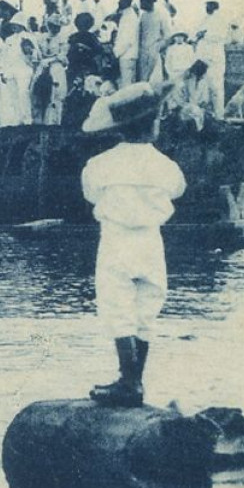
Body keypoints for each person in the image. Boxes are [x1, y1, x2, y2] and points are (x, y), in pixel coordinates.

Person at [80, 81, 186, 407]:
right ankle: (136, 380)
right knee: (147, 307)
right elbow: (177, 190)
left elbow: (91, 193)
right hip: (151, 241)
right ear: (153, 124)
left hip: (116, 239)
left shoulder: (99, 165)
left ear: (118, 129)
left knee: (117, 307)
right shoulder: (166, 166)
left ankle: (128, 381)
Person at [194, 0, 228, 117]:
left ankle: (219, 116)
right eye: (206, 4)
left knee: (216, 88)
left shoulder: (221, 19)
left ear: (215, 5)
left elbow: (222, 36)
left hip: (215, 58)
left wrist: (204, 34)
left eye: (210, 4)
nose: (207, 7)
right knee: (202, 87)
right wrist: (199, 34)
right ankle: (205, 116)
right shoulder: (204, 19)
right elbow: (196, 34)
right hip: (203, 58)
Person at [111, 0, 140, 87]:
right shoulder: (127, 15)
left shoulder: (130, 17)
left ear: (126, 2)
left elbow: (128, 40)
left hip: (127, 55)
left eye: (120, 0)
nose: (118, 2)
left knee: (128, 87)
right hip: (126, 55)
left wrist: (116, 52)